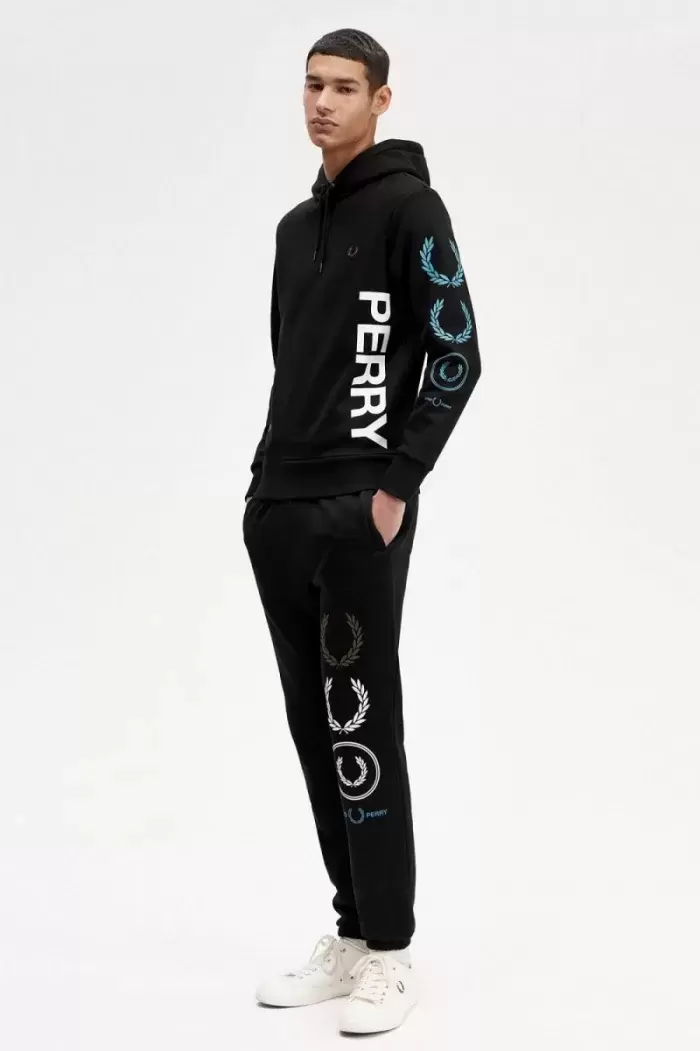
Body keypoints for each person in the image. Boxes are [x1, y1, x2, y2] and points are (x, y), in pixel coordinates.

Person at [243, 27, 481, 1035]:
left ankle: (391, 948)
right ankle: (351, 928)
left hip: (357, 513)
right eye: (312, 85)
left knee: (360, 722)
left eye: (344, 87)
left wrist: (395, 484)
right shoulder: (294, 229)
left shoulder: (410, 209)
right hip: (280, 508)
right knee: (313, 723)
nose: (323, 103)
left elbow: (457, 354)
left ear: (381, 100)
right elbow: (287, 363)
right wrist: (262, 489)